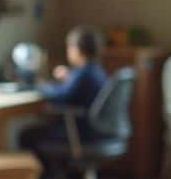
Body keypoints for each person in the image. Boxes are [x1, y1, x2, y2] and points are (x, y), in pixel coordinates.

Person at [18, 26, 108, 170]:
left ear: (77, 49)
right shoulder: (94, 70)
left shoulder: (83, 74)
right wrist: (70, 77)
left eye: (70, 47)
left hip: (81, 132)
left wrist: (39, 86)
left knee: (27, 135)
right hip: (96, 130)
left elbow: (60, 96)